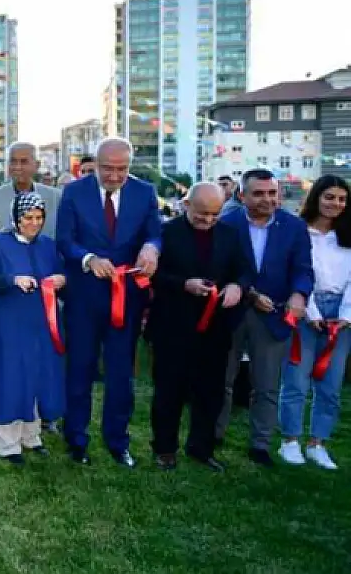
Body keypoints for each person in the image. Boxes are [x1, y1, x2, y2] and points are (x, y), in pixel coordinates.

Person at [57, 137, 162, 468]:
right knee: (80, 370)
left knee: (120, 374)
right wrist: (88, 258)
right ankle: (76, 438)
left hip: (127, 298)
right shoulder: (74, 193)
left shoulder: (145, 192)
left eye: (122, 169)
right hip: (85, 297)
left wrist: (152, 248)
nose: (115, 175)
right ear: (95, 164)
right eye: (108, 168)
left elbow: (155, 233)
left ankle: (118, 441)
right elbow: (64, 240)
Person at [146, 183, 249, 472]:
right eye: (202, 213)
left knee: (210, 391)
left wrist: (236, 287)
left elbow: (244, 270)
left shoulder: (230, 234)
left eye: (214, 215)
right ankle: (165, 449)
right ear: (186, 203)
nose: (207, 220)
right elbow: (152, 276)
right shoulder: (165, 234)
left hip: (216, 328)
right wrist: (183, 285)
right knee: (169, 392)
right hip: (173, 325)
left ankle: (201, 448)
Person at [216, 169, 313, 468]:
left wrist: (300, 294)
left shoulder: (294, 227)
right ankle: (214, 433)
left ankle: (260, 444)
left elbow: (303, 269)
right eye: (258, 193)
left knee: (267, 385)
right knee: (222, 379)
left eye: (272, 193)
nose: (267, 199)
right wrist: (249, 294)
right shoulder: (226, 223)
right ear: (242, 196)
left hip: (274, 315)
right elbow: (219, 269)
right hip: (231, 312)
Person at [0, 192, 65, 465]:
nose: (34, 223)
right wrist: (12, 280)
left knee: (37, 375)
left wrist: (62, 279)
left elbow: (63, 272)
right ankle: (8, 443)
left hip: (41, 323)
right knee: (10, 378)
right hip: (7, 323)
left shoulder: (48, 245)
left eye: (39, 218)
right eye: (28, 217)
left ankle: (32, 436)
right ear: (16, 218)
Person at [276, 175, 350, 469]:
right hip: (305, 306)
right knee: (296, 380)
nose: (336, 204)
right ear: (317, 197)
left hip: (342, 314)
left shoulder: (346, 236)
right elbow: (298, 272)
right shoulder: (299, 233)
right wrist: (312, 312)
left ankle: (318, 443)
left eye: (342, 199)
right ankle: (290, 440)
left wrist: (345, 315)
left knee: (330, 385)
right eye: (329, 197)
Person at [0, 142, 61, 239]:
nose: (18, 167)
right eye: (13, 161)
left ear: (37, 165)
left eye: (24, 161)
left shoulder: (55, 197)